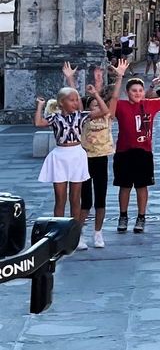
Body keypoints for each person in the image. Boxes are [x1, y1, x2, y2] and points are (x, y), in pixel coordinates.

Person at [36, 72, 110, 239]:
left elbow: (104, 111)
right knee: (60, 197)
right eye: (72, 100)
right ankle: (57, 231)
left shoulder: (81, 116)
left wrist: (96, 95)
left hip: (77, 154)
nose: (76, 102)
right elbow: (38, 123)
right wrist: (40, 106)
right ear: (62, 103)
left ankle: (74, 232)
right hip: (60, 155)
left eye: (77, 99)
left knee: (76, 197)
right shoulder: (54, 118)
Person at [113, 68, 160, 233]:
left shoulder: (150, 104)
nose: (138, 93)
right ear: (127, 92)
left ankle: (141, 217)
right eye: (134, 90)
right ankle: (123, 215)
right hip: (124, 151)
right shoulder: (120, 105)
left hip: (144, 152)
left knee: (142, 186)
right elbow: (110, 103)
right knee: (124, 186)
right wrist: (119, 77)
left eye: (140, 90)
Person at [76, 60, 127, 249]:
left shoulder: (107, 116)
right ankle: (80, 233)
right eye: (92, 105)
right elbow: (75, 100)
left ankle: (98, 232)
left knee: (101, 198)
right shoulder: (83, 118)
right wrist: (71, 79)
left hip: (101, 160)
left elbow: (113, 97)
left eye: (98, 105)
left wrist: (119, 76)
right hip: (84, 160)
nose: (95, 108)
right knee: (85, 200)